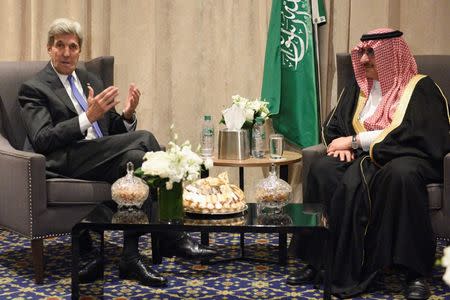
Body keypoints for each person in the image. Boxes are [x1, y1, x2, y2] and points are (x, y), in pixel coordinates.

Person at [18, 18, 216, 287]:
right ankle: (170, 236)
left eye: (73, 46)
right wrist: (87, 117)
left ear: (80, 50)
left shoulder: (89, 79)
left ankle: (130, 258)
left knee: (135, 161)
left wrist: (128, 114)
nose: (66, 52)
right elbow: (42, 139)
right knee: (145, 138)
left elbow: (112, 128)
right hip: (65, 159)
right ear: (49, 49)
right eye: (60, 46)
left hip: (100, 156)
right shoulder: (34, 88)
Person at [287, 28, 450, 299]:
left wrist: (355, 142)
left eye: (371, 52)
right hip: (364, 158)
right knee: (323, 168)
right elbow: (335, 125)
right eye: (361, 52)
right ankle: (319, 260)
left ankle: (413, 273)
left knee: (400, 176)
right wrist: (344, 146)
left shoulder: (420, 88)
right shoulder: (358, 89)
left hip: (407, 156)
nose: (363, 60)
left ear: (391, 55)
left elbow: (419, 134)